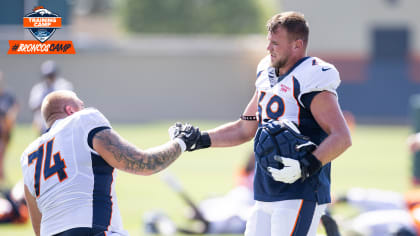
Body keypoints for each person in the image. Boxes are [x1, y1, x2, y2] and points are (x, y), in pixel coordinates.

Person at [169, 11, 352, 236]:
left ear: (297, 45)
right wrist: (200, 139)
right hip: (264, 192)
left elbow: (342, 137)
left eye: (275, 43)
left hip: (300, 192)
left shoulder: (312, 76)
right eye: (269, 42)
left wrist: (307, 165)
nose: (268, 49)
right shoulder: (267, 74)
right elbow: (245, 127)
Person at [20, 90, 199, 236]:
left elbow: (39, 229)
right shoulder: (83, 120)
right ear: (70, 110)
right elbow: (144, 164)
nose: (84, 108)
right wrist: (181, 142)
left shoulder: (28, 156)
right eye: (81, 105)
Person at [28, 60, 73, 134]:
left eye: (51, 75)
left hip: (61, 123)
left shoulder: (63, 86)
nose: (49, 78)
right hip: (43, 124)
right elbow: (33, 107)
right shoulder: (39, 89)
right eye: (47, 76)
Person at [0, 71, 19, 184]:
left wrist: (11, 119)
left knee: (3, 153)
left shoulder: (8, 95)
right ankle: (2, 174)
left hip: (6, 131)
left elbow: (15, 106)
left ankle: (2, 173)